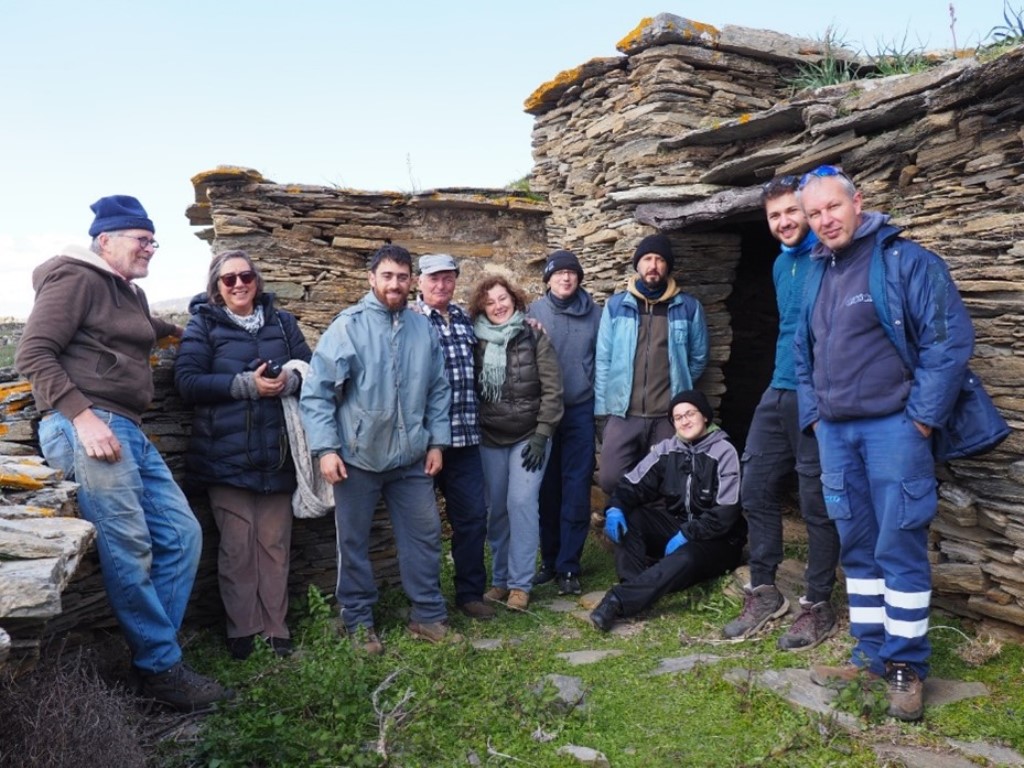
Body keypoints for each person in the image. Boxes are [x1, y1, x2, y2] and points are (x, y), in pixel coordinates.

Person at [15, 195, 233, 710]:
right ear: (105, 240)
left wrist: (180, 329)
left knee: (181, 535)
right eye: (142, 239)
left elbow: (141, 326)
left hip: (127, 428)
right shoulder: (74, 277)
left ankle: (153, 658)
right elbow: (32, 352)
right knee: (129, 547)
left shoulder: (126, 292)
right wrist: (82, 416)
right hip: (89, 426)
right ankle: (161, 669)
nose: (151, 248)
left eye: (153, 240)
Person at [793, 165, 978, 721]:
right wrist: (816, 419)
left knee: (898, 545)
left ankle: (905, 665)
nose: (825, 220)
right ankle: (870, 653)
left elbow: (948, 342)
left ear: (858, 203)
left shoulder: (906, 261)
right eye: (814, 213)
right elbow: (803, 352)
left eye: (833, 207)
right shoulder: (815, 272)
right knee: (856, 545)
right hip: (836, 433)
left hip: (895, 428)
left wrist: (920, 420)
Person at [300, 243, 453, 654]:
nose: (394, 284)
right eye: (387, 276)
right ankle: (358, 622)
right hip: (357, 459)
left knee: (424, 536)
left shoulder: (422, 328)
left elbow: (438, 390)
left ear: (411, 281)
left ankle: (427, 615)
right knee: (353, 543)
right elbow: (317, 393)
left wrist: (437, 442)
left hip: (411, 458)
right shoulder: (348, 327)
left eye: (402, 277)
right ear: (371, 278)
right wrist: (326, 449)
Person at [175, 250, 312, 660]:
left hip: (278, 454)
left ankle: (276, 629)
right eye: (229, 278)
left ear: (257, 280)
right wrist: (245, 385)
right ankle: (243, 630)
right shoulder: (203, 324)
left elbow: (310, 369)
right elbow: (187, 382)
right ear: (216, 287)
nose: (239, 284)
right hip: (225, 455)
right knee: (237, 548)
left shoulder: (282, 322)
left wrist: (289, 380)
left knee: (275, 544)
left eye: (246, 276)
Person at [722, 176, 840, 650]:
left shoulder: (829, 258)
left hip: (817, 394)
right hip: (778, 387)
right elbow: (788, 327)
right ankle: (765, 591)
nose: (784, 222)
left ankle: (817, 603)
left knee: (815, 501)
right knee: (754, 487)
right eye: (774, 216)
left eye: (792, 211)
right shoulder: (779, 264)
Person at [590, 391, 746, 631]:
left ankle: (618, 600)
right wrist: (616, 508)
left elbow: (726, 513)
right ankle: (635, 586)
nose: (685, 421)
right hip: (678, 525)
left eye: (690, 414)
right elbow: (633, 485)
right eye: (678, 417)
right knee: (631, 518)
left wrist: (688, 534)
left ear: (705, 416)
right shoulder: (667, 449)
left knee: (687, 557)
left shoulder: (725, 451)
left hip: (719, 540)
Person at [469, 274, 563, 612]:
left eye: (503, 299)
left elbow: (553, 389)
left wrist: (542, 434)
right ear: (481, 308)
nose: (498, 306)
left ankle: (521, 585)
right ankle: (501, 580)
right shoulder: (473, 339)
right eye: (490, 302)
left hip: (529, 437)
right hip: (490, 437)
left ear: (515, 300)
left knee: (521, 503)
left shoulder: (534, 334)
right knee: (496, 509)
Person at [594, 233, 709, 495]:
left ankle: (648, 520)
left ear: (668, 266)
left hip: (667, 415)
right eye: (647, 259)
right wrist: (603, 411)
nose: (653, 265)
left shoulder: (688, 307)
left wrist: (679, 382)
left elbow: (699, 357)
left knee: (667, 480)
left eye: (659, 260)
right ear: (638, 264)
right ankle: (622, 516)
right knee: (610, 478)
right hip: (624, 412)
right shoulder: (616, 306)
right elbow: (604, 360)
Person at [414, 253, 494, 621]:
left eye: (447, 278)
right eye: (433, 278)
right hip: (424, 443)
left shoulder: (464, 318)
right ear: (420, 282)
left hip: (465, 440)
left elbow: (502, 329)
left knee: (473, 518)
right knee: (422, 525)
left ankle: (470, 593)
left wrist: (530, 324)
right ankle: (426, 600)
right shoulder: (410, 320)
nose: (441, 285)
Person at [527, 250, 601, 596]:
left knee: (576, 488)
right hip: (544, 414)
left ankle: (569, 566)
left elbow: (602, 361)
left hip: (580, 410)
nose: (566, 278)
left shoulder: (596, 315)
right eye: (558, 273)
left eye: (572, 273)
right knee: (547, 489)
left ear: (579, 278)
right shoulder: (534, 313)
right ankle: (549, 560)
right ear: (548, 279)